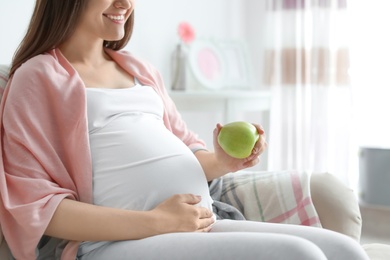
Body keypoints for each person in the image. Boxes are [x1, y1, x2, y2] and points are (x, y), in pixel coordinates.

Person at [0, 0, 369, 259]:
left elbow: (187, 149)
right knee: (300, 256)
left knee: (346, 251)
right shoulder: (38, 77)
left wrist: (220, 161)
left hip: (196, 223)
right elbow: (38, 206)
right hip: (112, 245)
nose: (125, 3)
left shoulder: (137, 68)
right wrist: (154, 221)